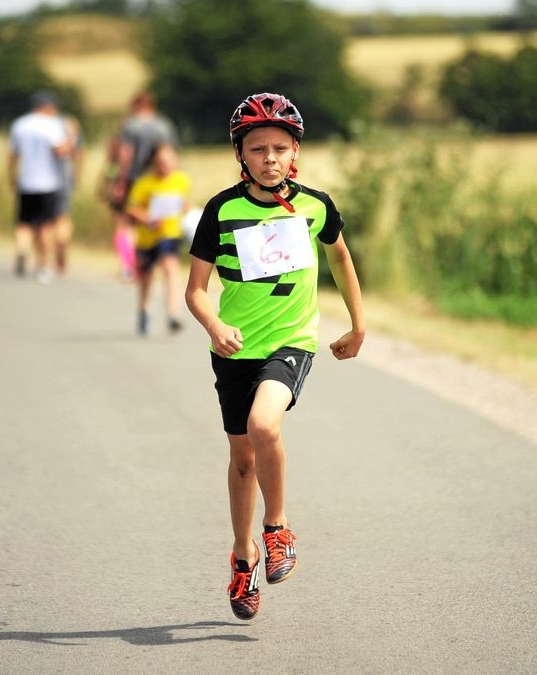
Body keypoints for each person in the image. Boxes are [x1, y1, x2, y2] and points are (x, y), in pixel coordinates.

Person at [184, 93, 366, 621]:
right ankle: (244, 557)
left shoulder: (316, 206)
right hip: (235, 349)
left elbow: (340, 258)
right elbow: (195, 290)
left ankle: (278, 526)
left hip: (292, 342)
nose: (269, 158)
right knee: (242, 460)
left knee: (266, 426)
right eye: (257, 148)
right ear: (240, 155)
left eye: (280, 148)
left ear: (296, 153)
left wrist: (358, 325)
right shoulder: (221, 210)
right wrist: (215, 324)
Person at [101, 92, 178, 281]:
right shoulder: (164, 125)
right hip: (159, 182)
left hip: (134, 180)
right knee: (153, 221)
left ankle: (128, 265)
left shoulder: (130, 125)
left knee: (124, 223)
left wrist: (119, 182)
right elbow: (171, 155)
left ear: (135, 106)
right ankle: (154, 261)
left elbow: (125, 155)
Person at [125, 142, 190, 336]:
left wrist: (186, 210)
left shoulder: (182, 180)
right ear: (154, 162)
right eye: (161, 161)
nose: (165, 165)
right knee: (147, 278)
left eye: (169, 160)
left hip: (170, 234)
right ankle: (144, 310)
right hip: (147, 238)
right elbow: (131, 208)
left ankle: (173, 315)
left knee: (171, 269)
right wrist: (147, 219)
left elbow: (183, 203)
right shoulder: (144, 183)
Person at [9, 91, 71, 283]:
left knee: (24, 223)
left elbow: (13, 156)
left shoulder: (19, 124)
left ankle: (22, 250)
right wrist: (70, 137)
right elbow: (61, 151)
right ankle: (43, 265)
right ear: (46, 107)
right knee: (46, 226)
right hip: (48, 183)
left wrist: (12, 177)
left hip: (26, 181)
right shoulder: (53, 125)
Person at [54, 113, 84, 275]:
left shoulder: (40, 125)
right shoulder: (70, 124)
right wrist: (76, 177)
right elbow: (78, 154)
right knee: (63, 218)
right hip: (64, 180)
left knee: (43, 223)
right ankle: (61, 244)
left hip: (40, 182)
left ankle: (43, 258)